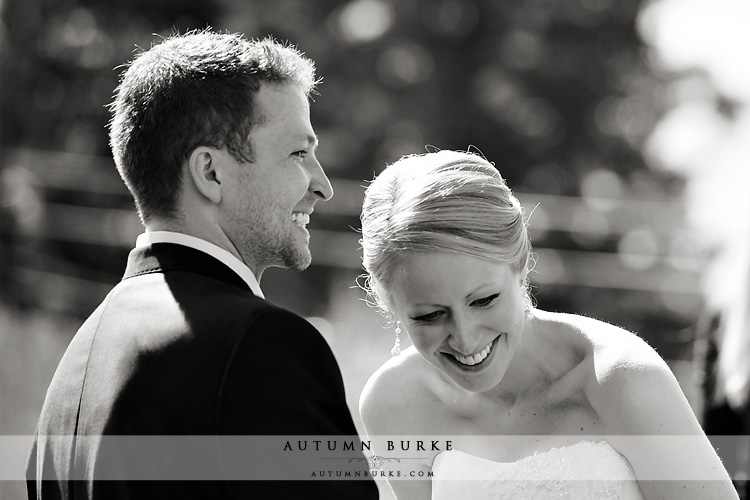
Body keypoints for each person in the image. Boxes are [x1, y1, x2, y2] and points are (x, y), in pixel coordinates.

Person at [25, 30, 378, 499]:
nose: (323, 185)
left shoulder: (77, 365)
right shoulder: (262, 346)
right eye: (298, 153)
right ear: (211, 173)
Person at [358, 150, 737, 500]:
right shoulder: (394, 406)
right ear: (390, 303)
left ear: (521, 266)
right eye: (430, 315)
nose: (466, 338)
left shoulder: (622, 380)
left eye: (484, 300)